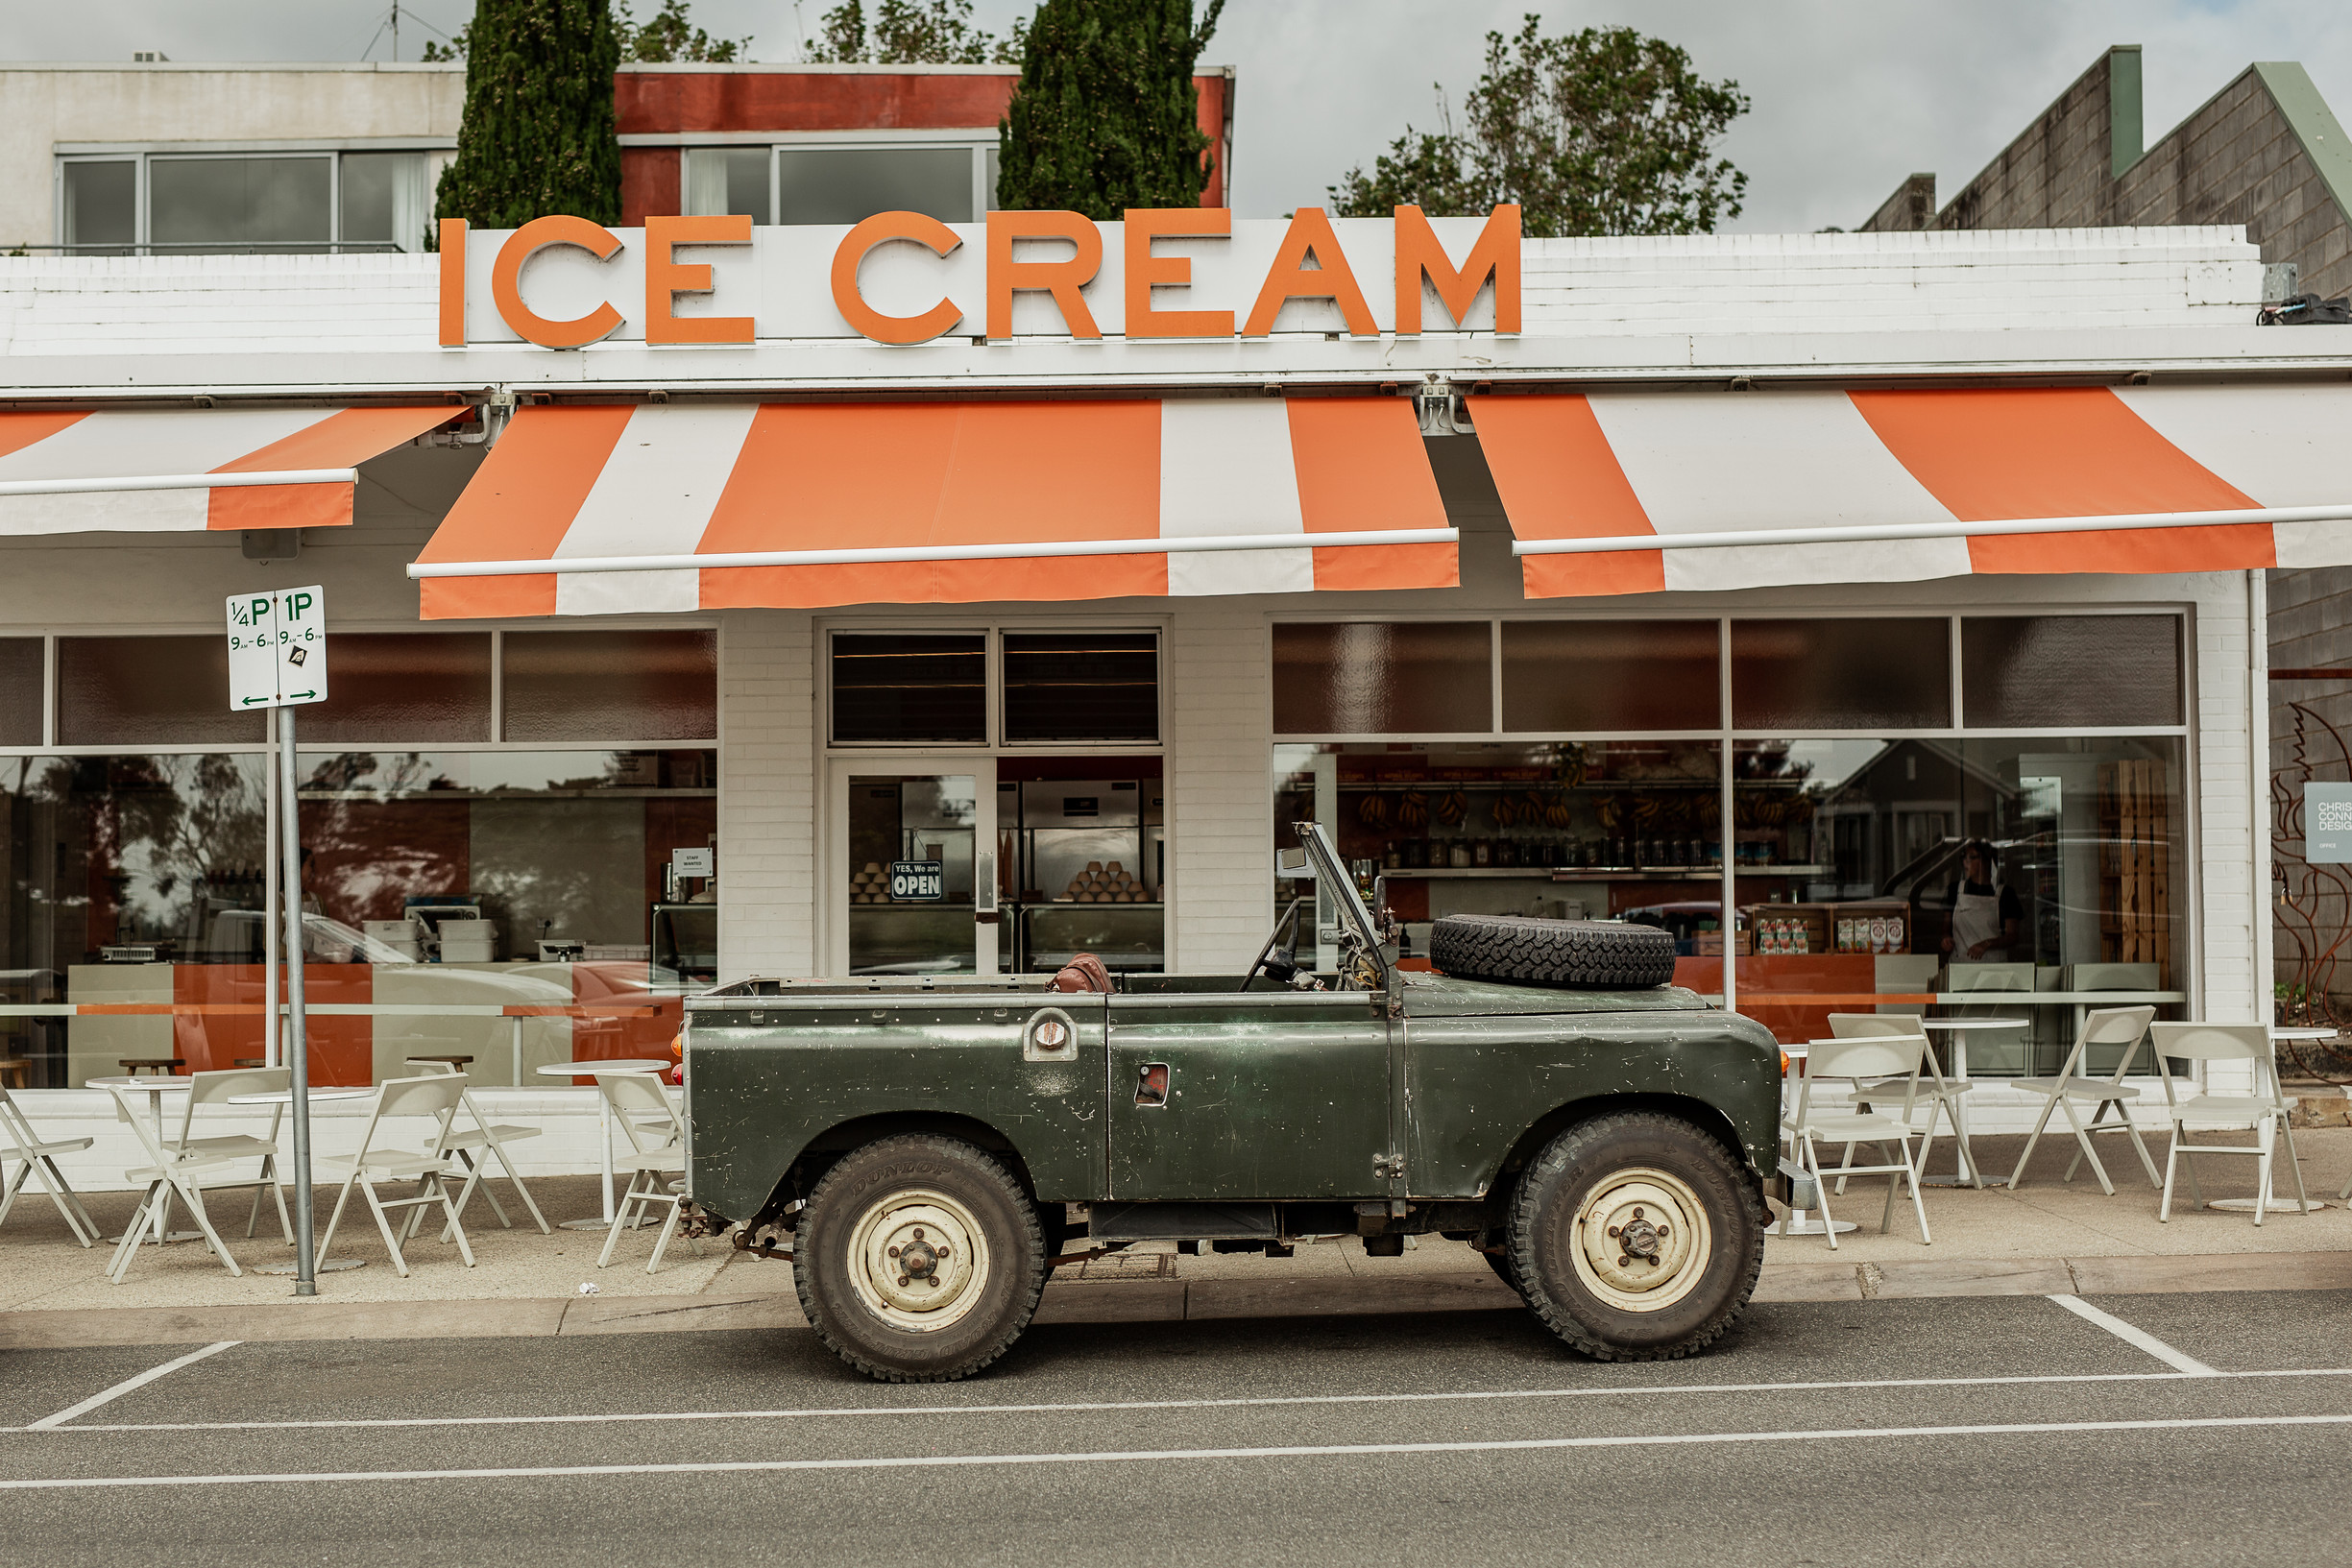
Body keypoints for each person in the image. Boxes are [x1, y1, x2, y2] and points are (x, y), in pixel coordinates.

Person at [1940, 839, 2021, 961]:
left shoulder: (2005, 893)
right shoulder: (1954, 890)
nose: (1965, 862)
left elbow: (2012, 936)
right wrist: (1946, 938)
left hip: (1994, 967)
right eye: (1964, 857)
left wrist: (1987, 944)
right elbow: (1946, 925)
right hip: (1961, 965)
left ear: (1987, 861)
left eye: (1972, 857)